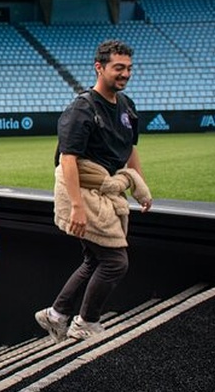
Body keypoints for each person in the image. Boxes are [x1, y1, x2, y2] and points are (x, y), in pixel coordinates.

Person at [35, 40, 153, 343]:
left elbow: (130, 150)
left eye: (128, 68)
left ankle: (57, 314)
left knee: (94, 260)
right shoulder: (82, 107)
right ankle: (84, 322)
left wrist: (140, 186)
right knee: (115, 262)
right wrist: (75, 206)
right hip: (84, 191)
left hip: (107, 191)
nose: (125, 74)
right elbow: (68, 158)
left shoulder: (127, 106)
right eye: (118, 68)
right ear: (99, 67)